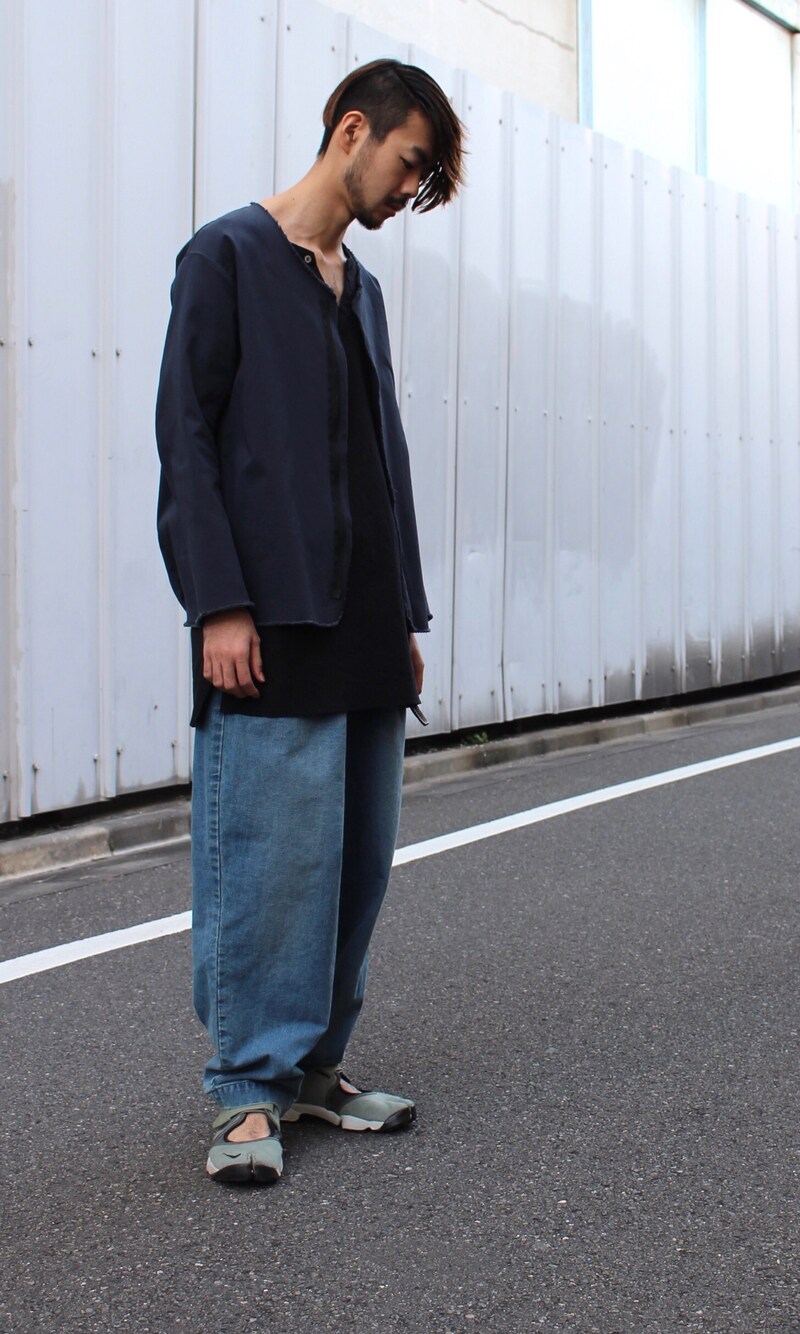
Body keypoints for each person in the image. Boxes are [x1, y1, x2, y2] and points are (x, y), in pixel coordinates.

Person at [155, 59, 465, 1185]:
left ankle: (315, 1070)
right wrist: (218, 602)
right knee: (269, 861)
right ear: (351, 130)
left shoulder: (360, 288)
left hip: (365, 621)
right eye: (409, 164)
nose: (408, 190)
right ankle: (247, 1088)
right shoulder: (227, 257)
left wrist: (405, 611)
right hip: (270, 619)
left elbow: (381, 460)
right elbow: (186, 439)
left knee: (352, 864)